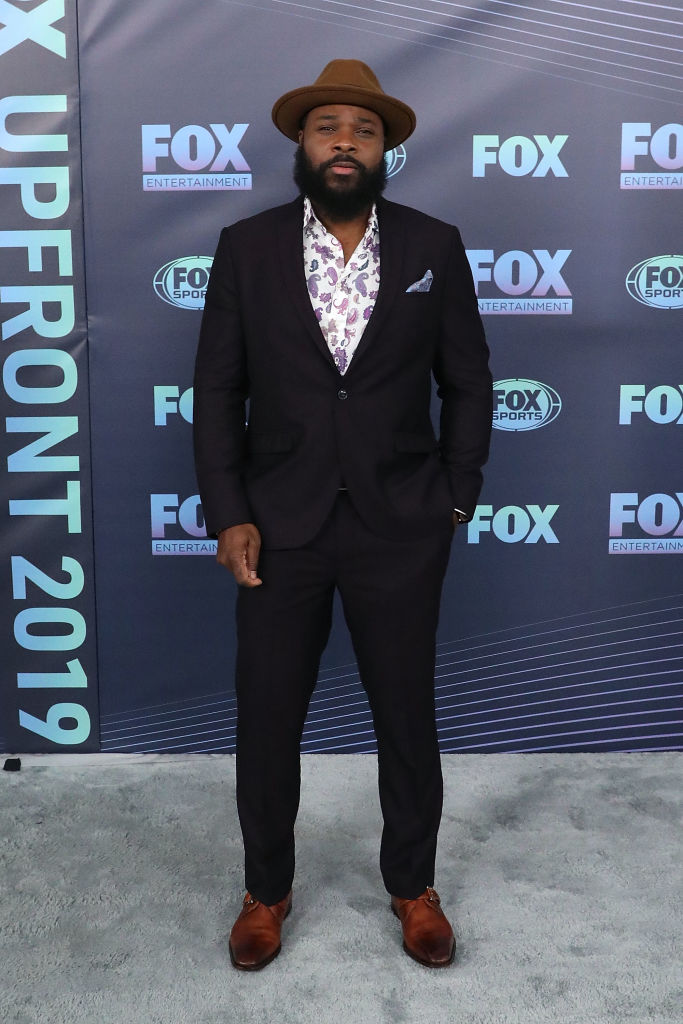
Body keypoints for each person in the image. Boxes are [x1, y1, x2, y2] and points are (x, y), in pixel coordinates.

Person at [193, 59, 493, 971]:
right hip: (278, 527)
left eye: (362, 131)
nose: (343, 144)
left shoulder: (432, 245)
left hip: (400, 526)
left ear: (385, 148)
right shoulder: (244, 247)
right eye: (327, 128)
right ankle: (265, 890)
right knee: (267, 719)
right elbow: (218, 391)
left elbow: (469, 383)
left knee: (405, 717)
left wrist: (453, 497)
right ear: (300, 142)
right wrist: (230, 512)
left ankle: (412, 887)